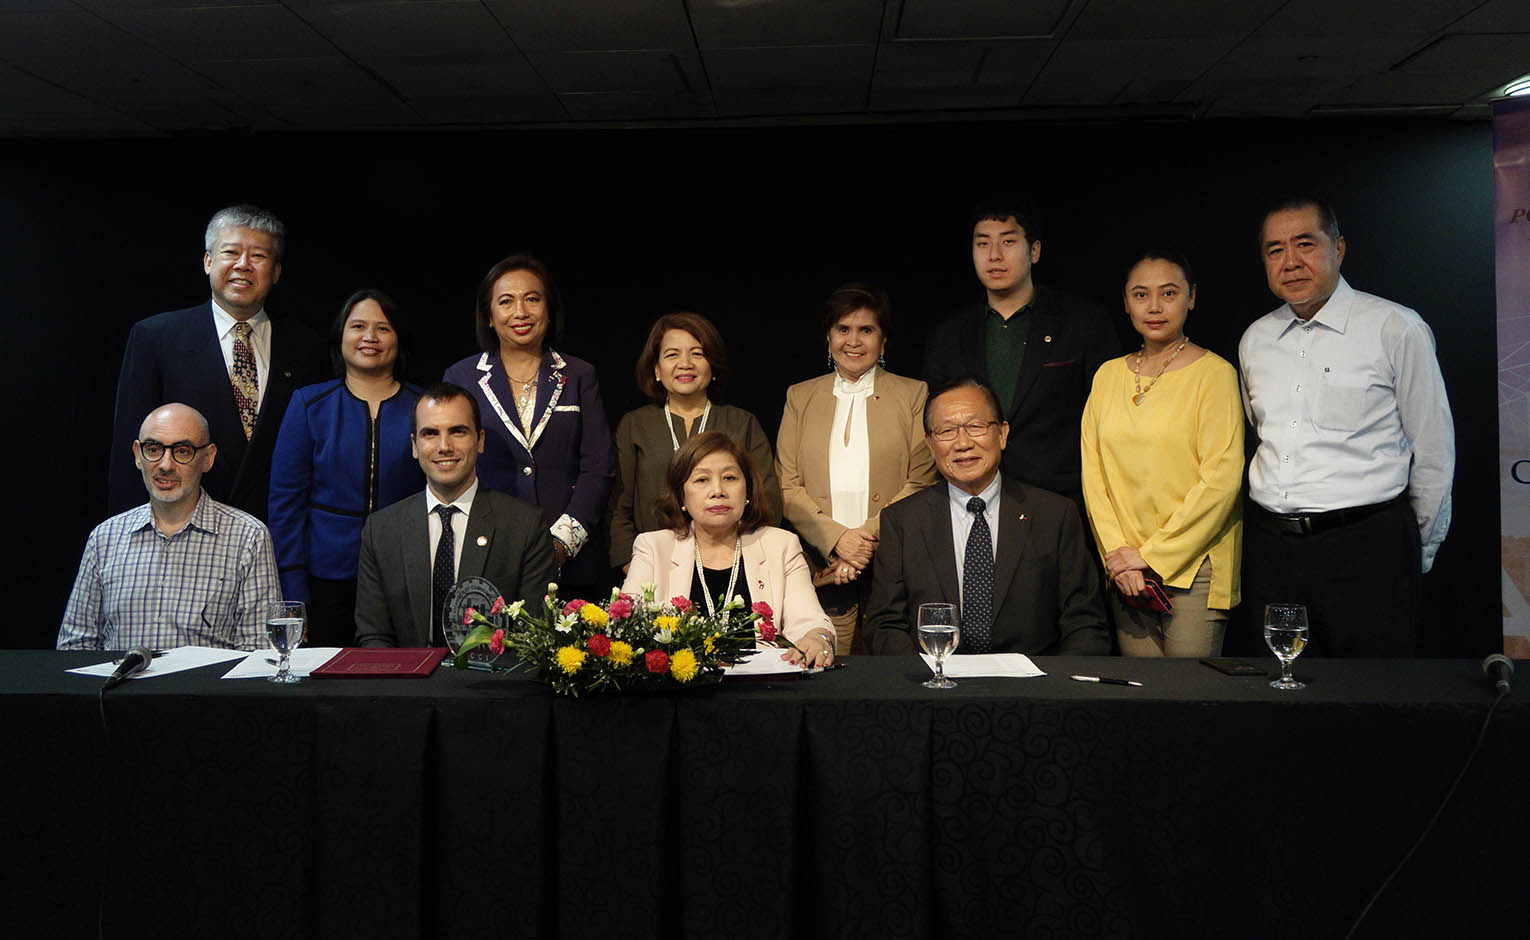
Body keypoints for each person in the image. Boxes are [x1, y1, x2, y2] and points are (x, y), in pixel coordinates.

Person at [1238, 196, 1454, 657]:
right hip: (1273, 550)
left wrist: (1414, 550)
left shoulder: (1395, 328)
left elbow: (1434, 450)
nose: (1291, 262)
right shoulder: (1255, 340)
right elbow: (1261, 437)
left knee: (1372, 699)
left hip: (1367, 549)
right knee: (1282, 697)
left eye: (1304, 244)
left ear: (1338, 248)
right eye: (1275, 250)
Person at [108, 204, 328, 522]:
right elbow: (131, 452)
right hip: (178, 529)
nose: (243, 265)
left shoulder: (308, 348)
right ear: (208, 261)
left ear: (277, 272)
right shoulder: (155, 338)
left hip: (278, 534)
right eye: (231, 252)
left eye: (258, 256)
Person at [867, 379, 1109, 656]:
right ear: (931, 445)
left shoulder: (1055, 515)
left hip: (1034, 688)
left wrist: (1060, 690)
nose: (962, 443)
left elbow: (1085, 620)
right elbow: (885, 624)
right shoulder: (902, 521)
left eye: (975, 427)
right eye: (946, 431)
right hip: (935, 686)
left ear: (1002, 434)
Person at [1080, 251, 1244, 657]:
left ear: (1191, 298)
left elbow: (1221, 481)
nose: (1154, 307)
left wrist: (1149, 557)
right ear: (1126, 302)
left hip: (1194, 569)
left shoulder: (1215, 375)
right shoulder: (1108, 375)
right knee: (1141, 705)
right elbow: (1093, 475)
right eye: (1141, 295)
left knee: (1187, 703)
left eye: (1168, 293)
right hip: (1125, 572)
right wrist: (1120, 556)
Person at [922, 200, 1120, 513]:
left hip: (1063, 502)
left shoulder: (1083, 322)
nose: (994, 255)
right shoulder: (948, 335)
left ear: (1035, 250)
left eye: (1008, 241)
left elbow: (1111, 419)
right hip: (971, 501)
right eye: (983, 243)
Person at [776, 283, 938, 655]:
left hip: (894, 559)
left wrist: (862, 540)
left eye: (866, 330)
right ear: (828, 337)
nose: (853, 340)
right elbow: (786, 484)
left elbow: (921, 479)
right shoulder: (799, 396)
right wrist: (836, 540)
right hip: (820, 562)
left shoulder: (914, 394)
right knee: (826, 675)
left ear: (883, 341)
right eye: (843, 329)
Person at [443, 254, 614, 595]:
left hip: (570, 560)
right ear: (489, 316)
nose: (520, 312)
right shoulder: (461, 377)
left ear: (548, 311)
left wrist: (561, 544)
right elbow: (451, 464)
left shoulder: (579, 375)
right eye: (506, 302)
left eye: (532, 299)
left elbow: (598, 468)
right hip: (486, 553)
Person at [268, 290, 425, 647]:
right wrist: (293, 590)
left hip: (405, 573)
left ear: (399, 340)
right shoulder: (309, 404)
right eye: (358, 326)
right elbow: (285, 504)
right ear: (340, 336)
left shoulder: (423, 406)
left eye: (382, 328)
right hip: (326, 579)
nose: (370, 337)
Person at [59, 403, 279, 650]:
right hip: (118, 687)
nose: (165, 465)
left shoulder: (248, 537)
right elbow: (75, 647)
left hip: (205, 688)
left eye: (182, 451)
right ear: (137, 455)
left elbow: (259, 652)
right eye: (153, 449)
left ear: (208, 458)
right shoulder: (105, 538)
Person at [354, 383, 557, 648]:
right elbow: (373, 637)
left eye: (457, 432)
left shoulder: (525, 525)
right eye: (430, 434)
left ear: (480, 440)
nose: (444, 446)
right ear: (415, 446)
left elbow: (534, 637)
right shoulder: (381, 530)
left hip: (492, 686)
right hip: (406, 687)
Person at [623, 432, 836, 668]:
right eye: (702, 480)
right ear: (682, 496)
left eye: (730, 478)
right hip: (680, 693)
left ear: (748, 492)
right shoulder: (653, 549)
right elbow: (627, 629)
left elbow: (808, 619)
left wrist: (817, 637)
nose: (718, 491)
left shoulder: (781, 545)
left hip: (759, 692)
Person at [610, 312, 780, 572]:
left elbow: (766, 500)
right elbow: (618, 507)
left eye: (697, 354)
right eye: (672, 355)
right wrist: (632, 566)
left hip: (732, 567)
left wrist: (745, 563)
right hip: (652, 567)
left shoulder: (742, 423)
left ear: (713, 365)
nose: (685, 363)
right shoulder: (635, 425)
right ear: (656, 368)